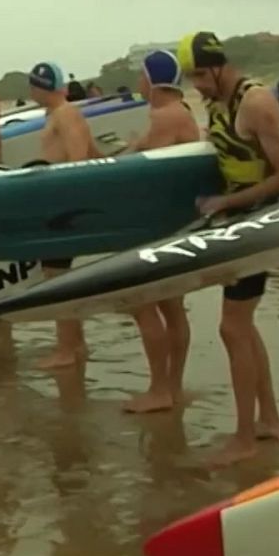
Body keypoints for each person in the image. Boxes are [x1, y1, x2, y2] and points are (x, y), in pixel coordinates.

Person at [181, 30, 279, 465]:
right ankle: (268, 420)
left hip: (260, 221)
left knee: (233, 327)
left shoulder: (256, 102)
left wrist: (228, 204)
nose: (196, 84)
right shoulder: (217, 103)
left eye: (198, 74)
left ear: (217, 65)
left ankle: (245, 437)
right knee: (242, 326)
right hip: (236, 222)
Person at [118, 50, 201, 413]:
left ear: (153, 80)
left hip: (154, 224)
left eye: (142, 75)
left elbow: (139, 168)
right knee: (172, 306)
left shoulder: (163, 116)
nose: (139, 82)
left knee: (142, 302)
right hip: (176, 219)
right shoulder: (181, 113)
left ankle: (159, 390)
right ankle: (173, 387)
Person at [26, 61, 99, 370]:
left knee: (56, 278)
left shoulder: (65, 114)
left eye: (32, 86)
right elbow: (94, 152)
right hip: (57, 200)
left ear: (40, 87)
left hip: (63, 203)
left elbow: (79, 158)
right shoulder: (59, 113)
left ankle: (67, 349)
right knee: (58, 276)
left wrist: (71, 204)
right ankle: (76, 344)